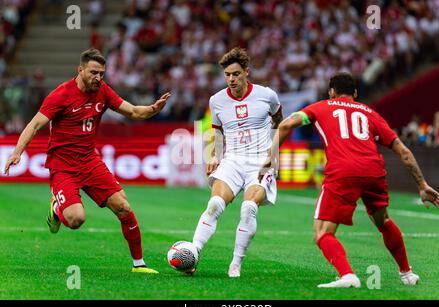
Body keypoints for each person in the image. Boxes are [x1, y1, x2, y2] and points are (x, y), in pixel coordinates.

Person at [259, 72, 439, 288]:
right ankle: (407, 274)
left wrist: (269, 160)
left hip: (343, 171)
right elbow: (403, 151)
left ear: (331, 92)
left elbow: (285, 125)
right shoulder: (371, 113)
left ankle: (347, 275)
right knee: (383, 220)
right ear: (355, 93)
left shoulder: (321, 107)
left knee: (322, 233)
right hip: (374, 171)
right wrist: (422, 185)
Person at [3, 48, 171, 274]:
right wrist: (17, 152)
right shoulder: (61, 94)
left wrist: (152, 109)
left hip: (90, 162)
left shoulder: (103, 91)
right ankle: (57, 207)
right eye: (93, 72)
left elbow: (132, 111)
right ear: (80, 70)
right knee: (75, 220)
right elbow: (34, 125)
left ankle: (139, 264)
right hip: (63, 166)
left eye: (101, 73)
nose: (98, 78)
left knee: (123, 207)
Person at [189, 47, 283, 277]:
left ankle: (235, 263)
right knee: (214, 205)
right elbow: (218, 131)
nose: (231, 79)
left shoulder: (266, 95)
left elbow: (280, 122)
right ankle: (192, 254)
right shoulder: (217, 100)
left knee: (249, 208)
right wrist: (214, 155)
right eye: (227, 75)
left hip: (260, 161)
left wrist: (273, 156)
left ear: (246, 72)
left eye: (236, 74)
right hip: (232, 160)